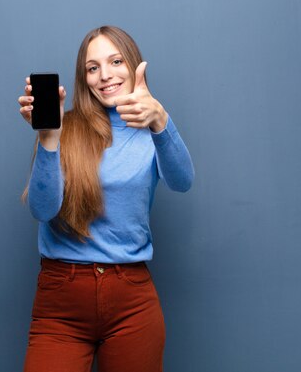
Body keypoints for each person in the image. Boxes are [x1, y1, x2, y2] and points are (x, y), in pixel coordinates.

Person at [17, 25, 194, 372]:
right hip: (61, 300)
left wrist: (161, 120)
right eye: (92, 67)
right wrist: (48, 138)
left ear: (134, 66)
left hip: (132, 299)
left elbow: (183, 181)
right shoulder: (64, 128)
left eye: (115, 61)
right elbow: (43, 209)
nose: (105, 75)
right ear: (83, 78)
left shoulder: (152, 132)